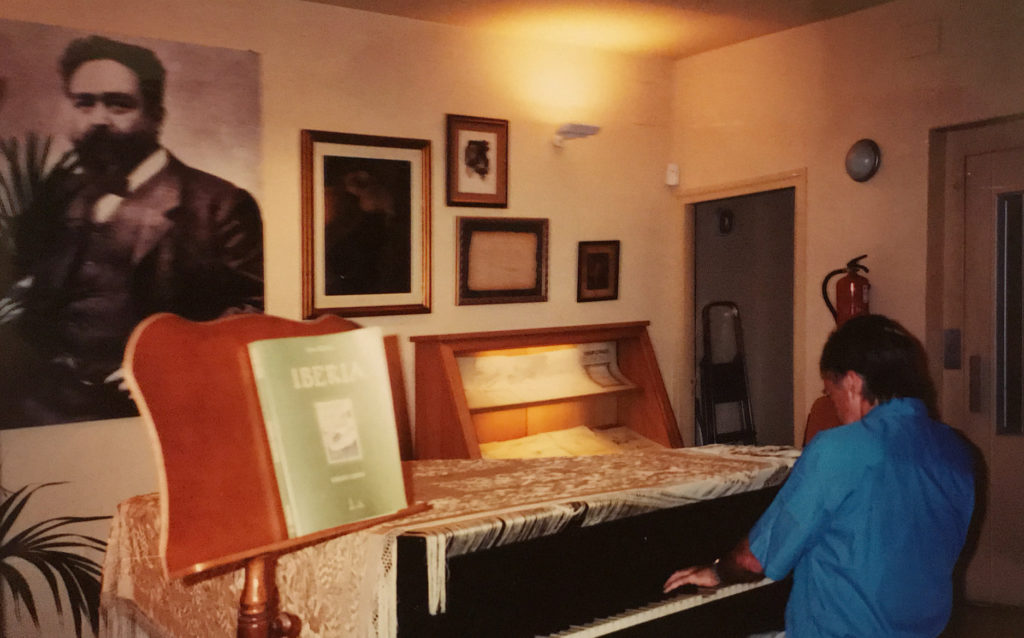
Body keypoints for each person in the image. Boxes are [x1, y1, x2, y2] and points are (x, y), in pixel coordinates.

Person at [0, 35, 263, 427]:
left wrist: (170, 358)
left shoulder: (219, 202)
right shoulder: (58, 195)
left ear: (157, 114)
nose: (99, 119)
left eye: (119, 104)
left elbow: (254, 308)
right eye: (84, 103)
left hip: (154, 407)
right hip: (46, 407)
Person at [663, 314, 975, 637]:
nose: (834, 407)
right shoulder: (957, 451)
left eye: (830, 392)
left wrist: (715, 571)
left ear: (852, 383)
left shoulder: (836, 450)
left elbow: (755, 560)